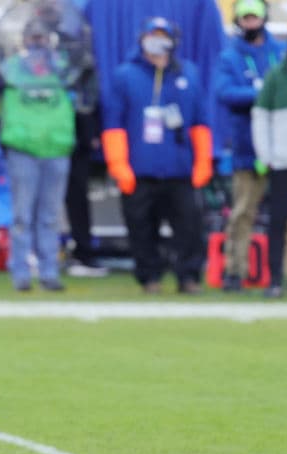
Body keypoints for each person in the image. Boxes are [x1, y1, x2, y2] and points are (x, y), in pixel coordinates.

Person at [101, 17, 212, 295]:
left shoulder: (188, 73)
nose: (157, 43)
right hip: (140, 167)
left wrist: (202, 161)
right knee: (141, 227)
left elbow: (200, 121)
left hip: (180, 167)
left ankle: (188, 276)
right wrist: (119, 165)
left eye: (163, 37)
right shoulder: (125, 75)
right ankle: (149, 277)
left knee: (189, 226)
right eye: (153, 36)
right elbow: (114, 123)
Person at [0, 19, 75, 292]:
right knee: (23, 216)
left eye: (42, 37)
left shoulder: (64, 67)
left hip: (56, 147)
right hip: (23, 147)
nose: (38, 42)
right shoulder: (10, 67)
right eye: (33, 37)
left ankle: (49, 272)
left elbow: (85, 92)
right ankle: (21, 275)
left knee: (50, 216)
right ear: (25, 40)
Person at [214, 0, 284, 292]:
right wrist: (263, 93)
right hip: (248, 145)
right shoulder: (230, 55)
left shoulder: (279, 52)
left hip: (283, 146)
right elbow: (225, 92)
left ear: (264, 17)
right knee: (243, 212)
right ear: (238, 21)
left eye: (255, 16)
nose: (251, 22)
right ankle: (235, 271)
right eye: (246, 17)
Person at [252, 29, 287, 298]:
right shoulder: (275, 76)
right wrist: (265, 154)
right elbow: (260, 116)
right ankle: (274, 279)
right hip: (281, 162)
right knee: (277, 221)